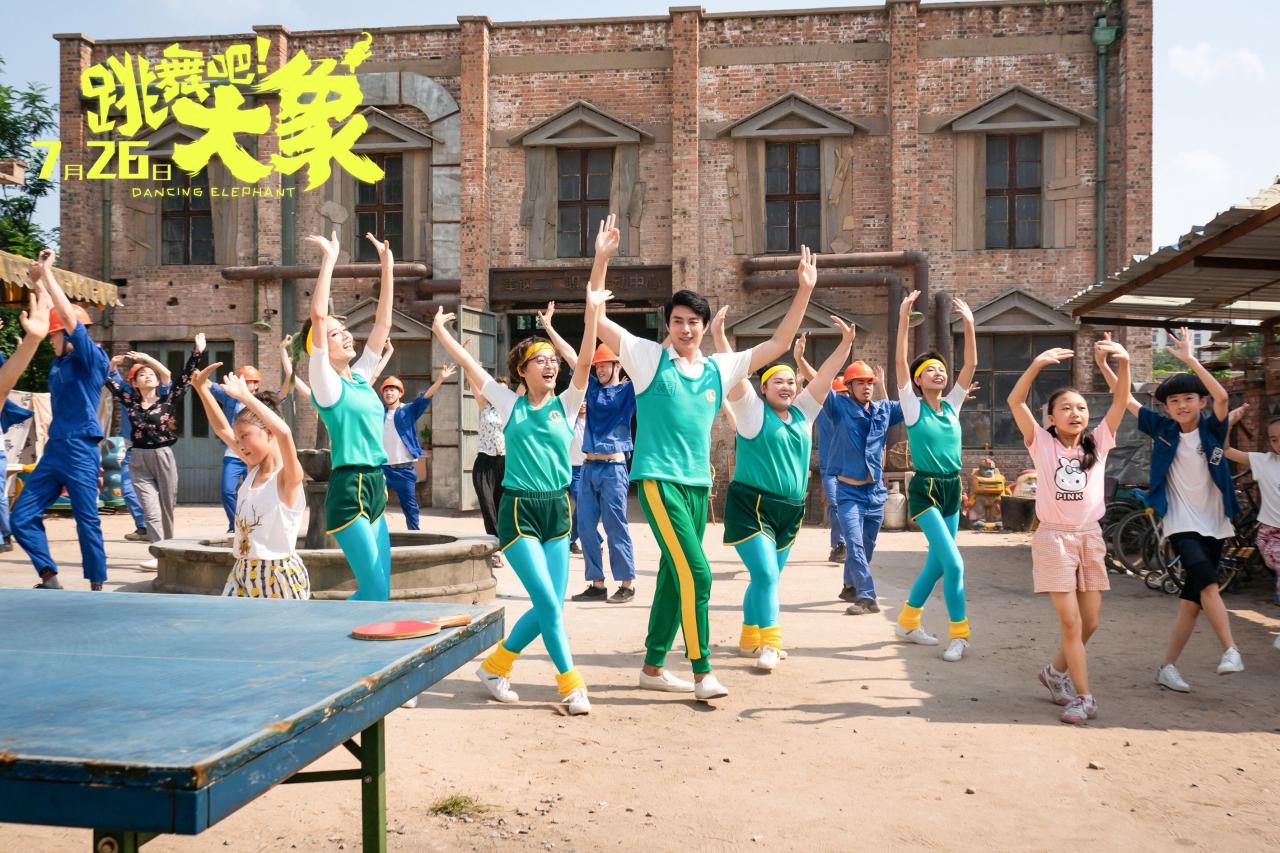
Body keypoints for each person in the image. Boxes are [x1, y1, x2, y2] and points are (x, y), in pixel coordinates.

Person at [593, 223, 817, 701]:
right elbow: (599, 315)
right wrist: (601, 262)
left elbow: (778, 344)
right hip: (658, 481)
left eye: (694, 321)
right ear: (668, 326)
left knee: (674, 576)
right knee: (698, 574)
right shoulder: (648, 359)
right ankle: (702, 673)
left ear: (704, 325)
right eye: (678, 321)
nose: (686, 328)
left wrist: (803, 290)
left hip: (699, 485)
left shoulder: (720, 367)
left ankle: (652, 668)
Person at [433, 281, 610, 717]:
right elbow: (470, 364)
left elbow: (584, 359)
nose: (550, 365)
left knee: (552, 604)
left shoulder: (568, 402)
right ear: (522, 370)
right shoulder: (509, 404)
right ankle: (571, 685)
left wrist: (591, 313)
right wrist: (440, 332)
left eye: (553, 360)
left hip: (557, 510)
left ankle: (496, 667)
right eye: (540, 360)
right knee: (548, 603)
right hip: (519, 511)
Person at [1098, 329, 1243, 690]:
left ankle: (1167, 667)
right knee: (1208, 581)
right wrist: (1103, 364)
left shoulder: (1213, 429)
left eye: (1189, 398)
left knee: (1192, 602)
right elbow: (1125, 398)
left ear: (1201, 402)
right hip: (1180, 523)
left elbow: (1223, 396)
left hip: (1216, 523)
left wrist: (1190, 359)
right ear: (1166, 407)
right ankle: (1230, 649)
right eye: (1174, 401)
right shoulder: (1162, 428)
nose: (1182, 405)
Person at [717, 313, 856, 671]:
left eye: (791, 382)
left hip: (790, 510)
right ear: (763, 388)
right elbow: (734, 373)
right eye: (778, 381)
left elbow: (824, 377)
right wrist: (719, 336)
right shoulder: (752, 412)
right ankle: (771, 643)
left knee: (767, 578)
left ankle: (749, 637)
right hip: (752, 506)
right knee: (765, 575)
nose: (787, 387)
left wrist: (845, 344)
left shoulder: (804, 413)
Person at [1008, 337, 1130, 724]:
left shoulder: (1098, 442)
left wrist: (1124, 363)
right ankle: (1084, 697)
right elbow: (1015, 401)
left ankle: (1053, 673)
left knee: (1090, 622)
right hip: (1053, 539)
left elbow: (1121, 400)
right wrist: (1036, 365)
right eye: (1065, 408)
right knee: (1071, 622)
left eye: (1080, 407)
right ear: (1051, 418)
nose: (1075, 413)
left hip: (1090, 537)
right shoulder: (1042, 444)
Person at [302, 229, 396, 600]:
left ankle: (346, 631)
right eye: (335, 334)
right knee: (374, 587)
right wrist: (329, 259)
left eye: (344, 331)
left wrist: (387, 268)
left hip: (375, 483)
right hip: (348, 487)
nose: (345, 336)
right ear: (320, 346)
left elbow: (383, 324)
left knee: (381, 592)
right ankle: (326, 630)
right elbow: (317, 315)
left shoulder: (358, 378)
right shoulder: (325, 382)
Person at [11, 250, 111, 591]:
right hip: (55, 449)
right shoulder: (59, 364)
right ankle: (48, 575)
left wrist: (49, 273)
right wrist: (36, 284)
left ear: (68, 336)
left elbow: (67, 316)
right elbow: (50, 315)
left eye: (55, 334)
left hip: (81, 448)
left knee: (86, 519)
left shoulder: (91, 359)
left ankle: (96, 585)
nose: (51, 338)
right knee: (21, 516)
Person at [893, 289, 978, 662]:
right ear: (917, 380)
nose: (939, 372)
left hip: (952, 487)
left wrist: (969, 325)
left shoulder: (952, 406)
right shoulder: (913, 408)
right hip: (925, 488)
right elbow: (899, 361)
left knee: (937, 564)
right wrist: (903, 320)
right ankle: (960, 635)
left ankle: (907, 622)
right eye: (930, 370)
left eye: (941, 369)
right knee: (954, 563)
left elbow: (970, 365)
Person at [540, 305, 640, 603]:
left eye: (604, 366)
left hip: (614, 468)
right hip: (588, 468)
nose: (599, 370)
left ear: (618, 366)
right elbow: (573, 355)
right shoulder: (591, 388)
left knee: (615, 526)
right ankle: (597, 584)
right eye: (597, 367)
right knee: (584, 527)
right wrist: (549, 328)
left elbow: (654, 360)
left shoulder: (628, 391)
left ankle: (627, 583)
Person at [193, 365, 310, 599]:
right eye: (238, 439)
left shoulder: (287, 477)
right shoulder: (253, 470)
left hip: (278, 575)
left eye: (245, 436)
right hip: (242, 570)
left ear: (269, 432)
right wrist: (201, 389)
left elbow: (285, 433)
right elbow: (222, 428)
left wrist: (246, 397)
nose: (240, 445)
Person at [799, 350, 903, 613]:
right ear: (849, 386)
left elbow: (915, 405)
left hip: (875, 493)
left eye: (870, 383)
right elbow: (821, 381)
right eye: (860, 383)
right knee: (854, 544)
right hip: (848, 493)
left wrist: (951, 398)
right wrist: (801, 359)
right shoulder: (839, 408)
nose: (866, 387)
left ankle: (849, 585)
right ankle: (867, 597)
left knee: (867, 546)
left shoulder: (883, 411)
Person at [107, 334, 206, 566]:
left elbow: (180, 375)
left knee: (167, 506)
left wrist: (197, 351)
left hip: (162, 456)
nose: (148, 375)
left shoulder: (167, 400)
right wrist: (111, 366)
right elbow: (109, 382)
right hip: (138, 459)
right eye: (142, 374)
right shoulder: (130, 401)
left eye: (151, 373)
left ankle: (169, 550)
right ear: (135, 383)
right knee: (150, 510)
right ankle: (160, 554)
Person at [380, 366, 455, 531]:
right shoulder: (378, 413)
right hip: (382, 469)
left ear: (400, 393)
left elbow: (425, 397)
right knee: (375, 504)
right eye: (386, 390)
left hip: (404, 469)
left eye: (392, 390)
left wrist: (441, 379)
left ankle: (415, 535)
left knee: (410, 507)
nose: (389, 393)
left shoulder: (408, 410)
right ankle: (377, 536)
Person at [794, 334, 847, 566]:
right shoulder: (824, 411)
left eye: (845, 394)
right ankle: (839, 545)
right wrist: (800, 362)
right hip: (830, 469)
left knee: (849, 508)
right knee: (835, 504)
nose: (842, 398)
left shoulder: (855, 413)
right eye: (839, 394)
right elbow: (814, 384)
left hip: (853, 470)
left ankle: (846, 544)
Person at [1224, 416, 1280, 607]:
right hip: (1271, 534)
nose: (1278, 444)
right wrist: (1229, 423)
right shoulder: (1264, 461)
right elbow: (1227, 450)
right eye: (1274, 439)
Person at [207, 364, 264, 533]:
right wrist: (195, 368)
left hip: (254, 456)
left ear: (257, 384)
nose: (245, 384)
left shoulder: (262, 401)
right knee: (227, 491)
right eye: (242, 381)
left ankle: (254, 524)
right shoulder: (229, 397)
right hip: (233, 453)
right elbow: (208, 385)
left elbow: (282, 394)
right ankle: (236, 525)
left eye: (249, 381)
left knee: (254, 493)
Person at [472, 376, 508, 568]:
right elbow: (473, 382)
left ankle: (504, 542)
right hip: (484, 462)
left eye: (503, 390)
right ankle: (495, 549)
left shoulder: (512, 408)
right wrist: (465, 365)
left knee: (501, 506)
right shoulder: (484, 406)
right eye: (496, 389)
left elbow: (525, 385)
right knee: (487, 505)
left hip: (504, 463)